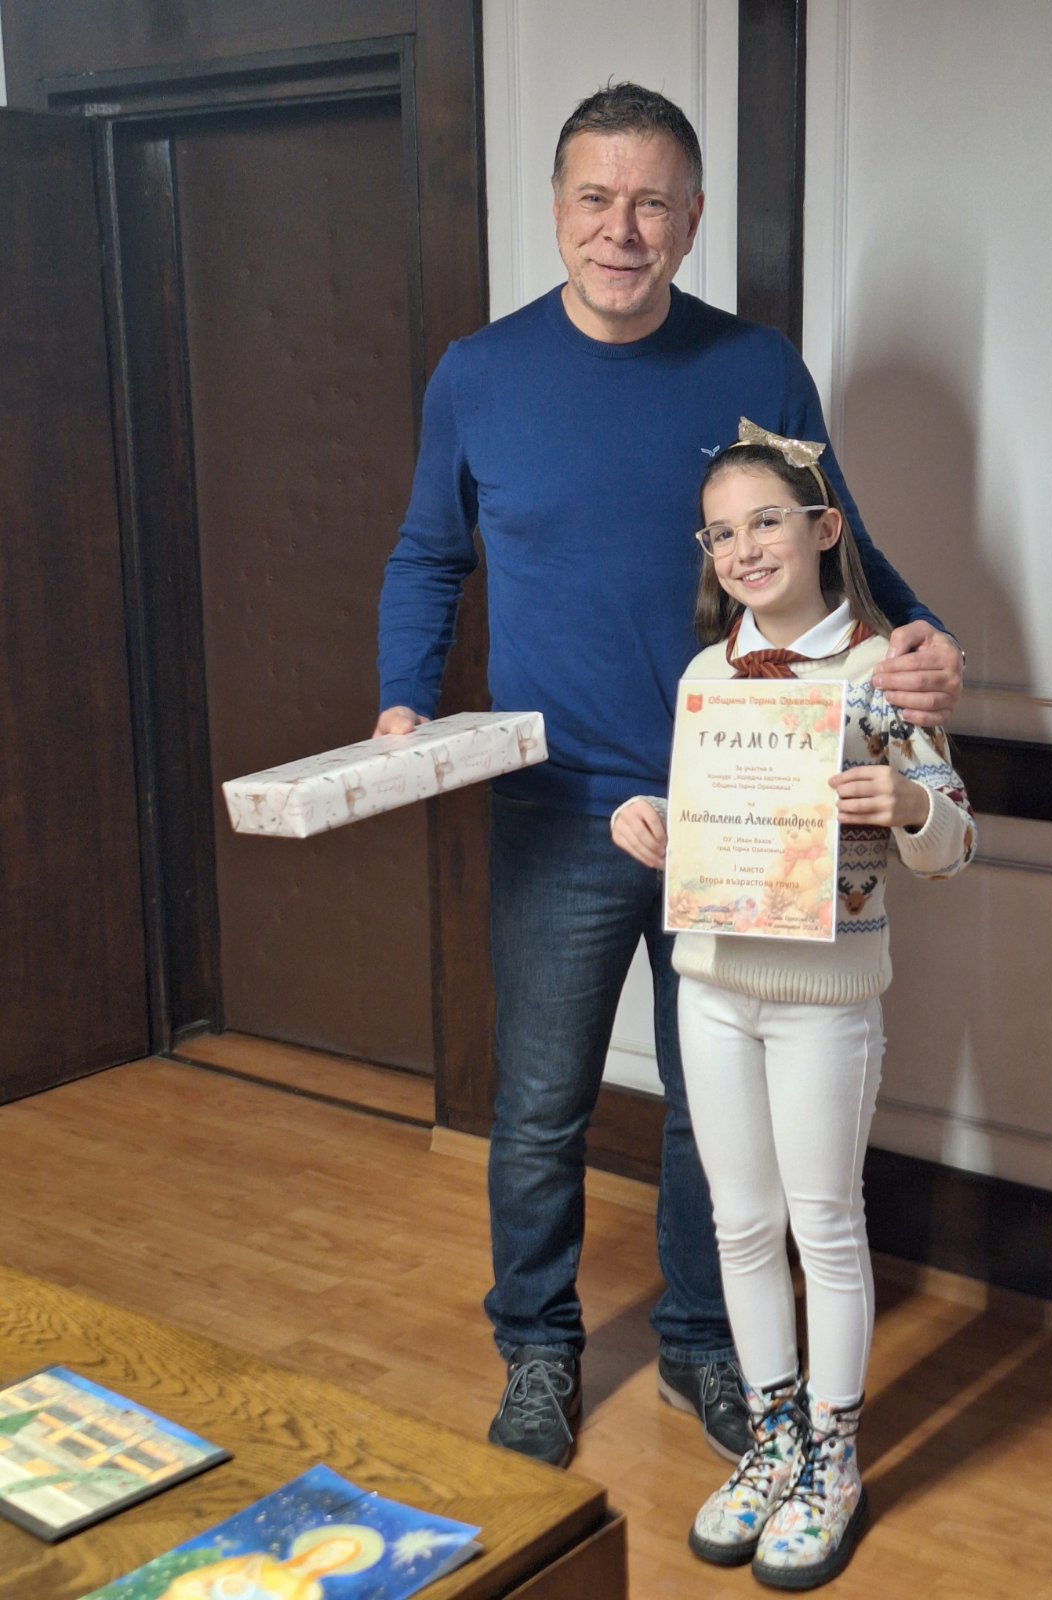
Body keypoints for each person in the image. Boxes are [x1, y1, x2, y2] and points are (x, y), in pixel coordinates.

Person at [375, 82, 965, 1469]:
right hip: (562, 807)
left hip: (746, 808)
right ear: (557, 208)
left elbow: (840, 539)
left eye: (652, 204)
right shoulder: (477, 374)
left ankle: (707, 1346)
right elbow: (428, 555)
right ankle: (538, 1349)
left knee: (716, 1112)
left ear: (693, 219)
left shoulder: (755, 366)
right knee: (540, 1105)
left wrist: (920, 636)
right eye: (596, 199)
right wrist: (405, 701)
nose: (621, 230)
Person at [610, 423, 976, 1587]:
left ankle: (834, 1457)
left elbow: (954, 843)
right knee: (739, 1222)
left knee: (823, 1220)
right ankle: (772, 1440)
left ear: (823, 529)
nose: (744, 548)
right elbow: (706, 824)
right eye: (721, 533)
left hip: (825, 996)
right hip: (714, 984)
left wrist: (908, 806)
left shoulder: (880, 673)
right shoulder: (704, 676)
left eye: (766, 520)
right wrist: (649, 824)